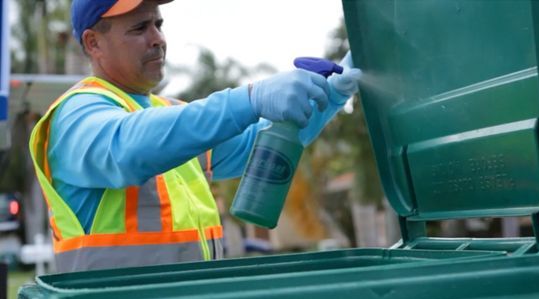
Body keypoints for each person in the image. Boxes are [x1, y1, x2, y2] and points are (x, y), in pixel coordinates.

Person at [29, 0, 362, 273]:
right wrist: (249, 98)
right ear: (93, 42)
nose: (157, 38)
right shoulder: (75, 113)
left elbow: (264, 145)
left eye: (158, 24)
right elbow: (126, 149)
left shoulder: (169, 112)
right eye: (139, 28)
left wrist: (330, 95)